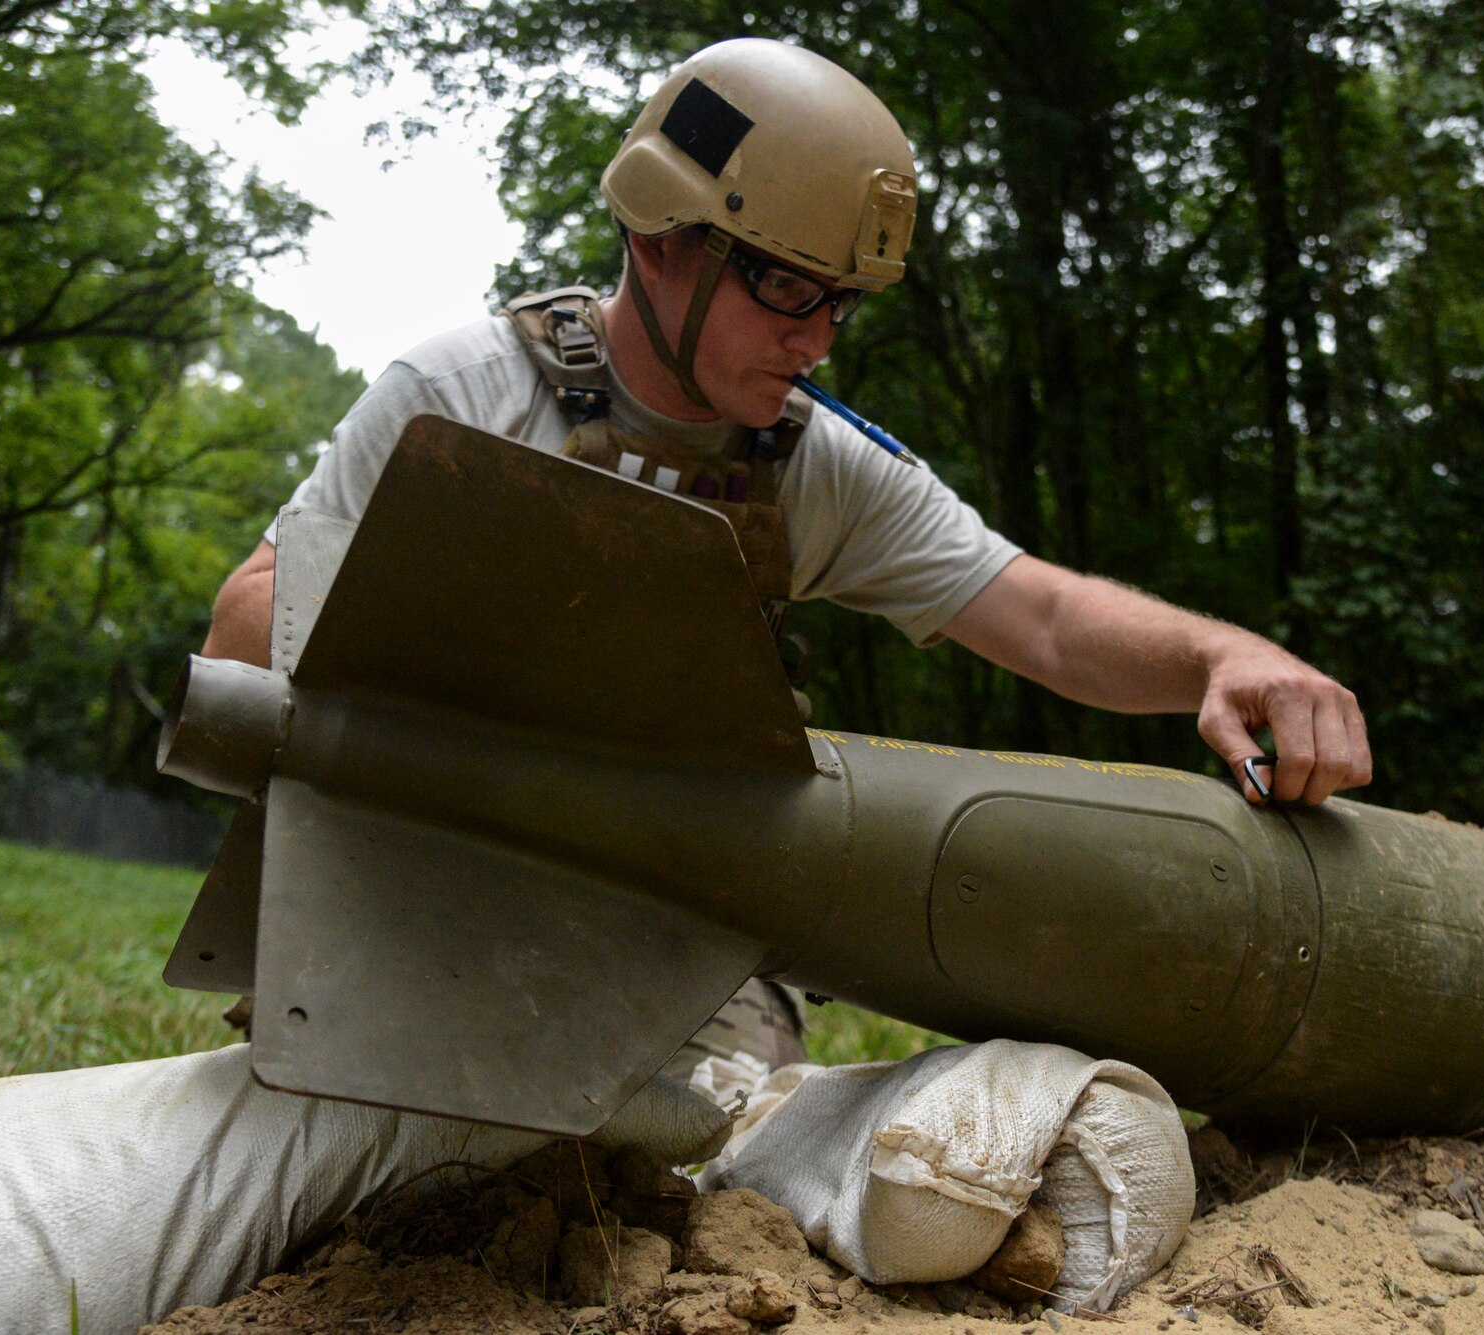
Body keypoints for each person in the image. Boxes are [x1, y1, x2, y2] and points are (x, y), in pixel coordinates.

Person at [199, 37, 1371, 1074]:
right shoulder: (456, 402)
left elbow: (1046, 620)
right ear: (663, 241)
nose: (812, 341)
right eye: (785, 289)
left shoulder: (812, 466)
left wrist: (1220, 655)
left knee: (713, 1133)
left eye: (841, 305)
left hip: (663, 916)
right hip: (417, 881)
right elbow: (245, 635)